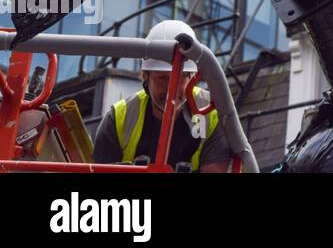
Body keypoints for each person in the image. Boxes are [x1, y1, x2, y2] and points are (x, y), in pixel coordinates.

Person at [92, 19, 230, 172]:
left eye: (181, 77)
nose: (171, 88)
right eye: (162, 78)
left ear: (192, 78)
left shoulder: (212, 112)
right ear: (146, 77)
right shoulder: (119, 119)